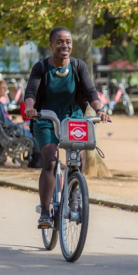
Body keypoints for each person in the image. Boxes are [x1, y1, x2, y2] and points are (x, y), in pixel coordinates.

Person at [24, 26, 110, 228]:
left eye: (68, 41)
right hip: (46, 117)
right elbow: (30, 92)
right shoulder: (41, 67)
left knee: (78, 160)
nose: (65, 45)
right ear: (51, 44)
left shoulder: (78, 66)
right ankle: (45, 213)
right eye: (60, 41)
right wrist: (30, 108)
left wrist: (99, 110)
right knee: (51, 161)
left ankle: (73, 198)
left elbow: (90, 92)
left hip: (72, 118)